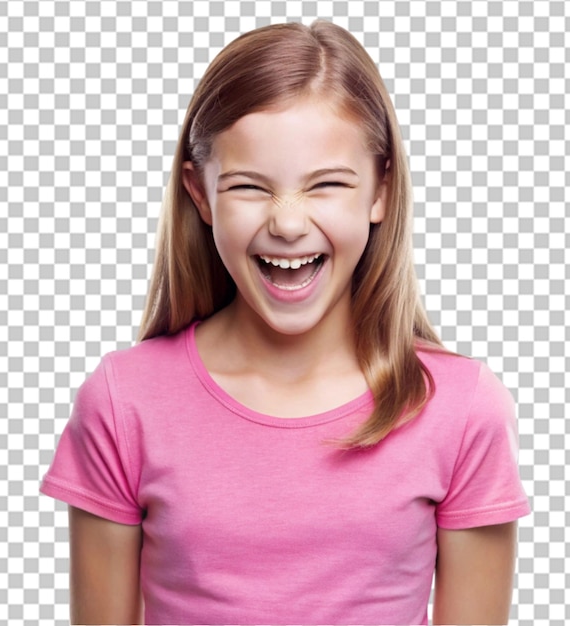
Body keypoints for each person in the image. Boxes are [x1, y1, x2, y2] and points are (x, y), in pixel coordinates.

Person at [40, 20, 530, 625]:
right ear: (201, 194)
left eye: (326, 185)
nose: (289, 224)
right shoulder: (123, 401)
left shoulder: (461, 408)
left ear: (381, 190)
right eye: (249, 186)